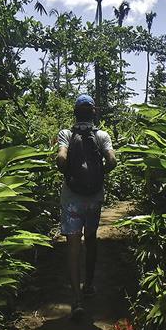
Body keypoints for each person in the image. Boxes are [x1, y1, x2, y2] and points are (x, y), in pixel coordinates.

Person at [56, 94, 117, 318]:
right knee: (90, 240)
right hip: (94, 198)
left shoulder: (66, 134)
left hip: (72, 198)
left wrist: (69, 174)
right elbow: (112, 161)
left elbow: (61, 159)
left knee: (73, 245)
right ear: (94, 112)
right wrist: (99, 175)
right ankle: (89, 285)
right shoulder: (102, 136)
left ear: (75, 112)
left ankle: (76, 300)